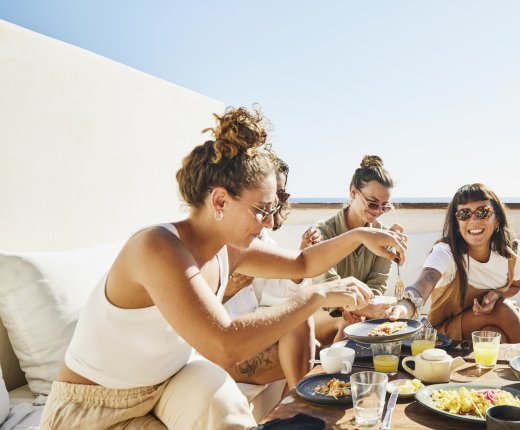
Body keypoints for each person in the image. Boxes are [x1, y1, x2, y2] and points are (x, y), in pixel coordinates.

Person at [40, 107, 406, 429]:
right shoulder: (157, 247)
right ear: (219, 200)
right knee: (210, 377)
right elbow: (223, 343)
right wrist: (315, 295)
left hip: (165, 384)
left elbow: (302, 262)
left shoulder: (228, 249)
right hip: (95, 408)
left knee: (216, 397)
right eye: (261, 210)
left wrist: (360, 234)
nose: (268, 223)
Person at [385, 183, 520, 343]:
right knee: (503, 309)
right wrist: (403, 307)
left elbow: (515, 285)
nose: (473, 219)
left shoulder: (511, 252)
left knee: (493, 335)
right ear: (457, 224)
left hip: (483, 326)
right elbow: (422, 285)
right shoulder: (446, 253)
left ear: (497, 220)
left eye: (483, 212)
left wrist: (497, 295)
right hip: (445, 333)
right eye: (464, 214)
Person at [222, 156, 319, 390]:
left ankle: (293, 408)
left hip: (245, 339)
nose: (275, 203)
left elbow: (279, 289)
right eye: (268, 198)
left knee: (305, 329)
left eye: (281, 195)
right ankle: (298, 407)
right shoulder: (221, 241)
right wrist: (229, 290)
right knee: (309, 345)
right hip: (221, 350)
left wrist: (300, 259)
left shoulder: (262, 239)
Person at [311, 155, 404, 345]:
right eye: (372, 203)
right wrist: (358, 308)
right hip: (321, 312)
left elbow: (378, 284)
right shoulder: (322, 232)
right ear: (353, 192)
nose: (377, 211)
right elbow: (327, 284)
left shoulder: (385, 234)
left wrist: (360, 309)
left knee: (388, 326)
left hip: (361, 310)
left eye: (384, 207)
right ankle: (335, 374)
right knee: (348, 326)